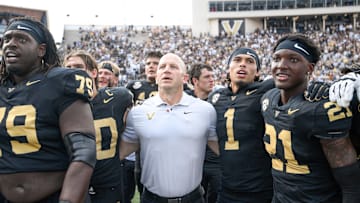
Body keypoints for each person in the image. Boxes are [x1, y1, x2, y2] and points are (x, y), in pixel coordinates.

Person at [0, 16, 96, 203]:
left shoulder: (61, 81)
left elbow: (84, 151)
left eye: (21, 39)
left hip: (54, 195)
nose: (10, 44)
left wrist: (68, 200)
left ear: (41, 50)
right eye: (7, 39)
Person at [261, 33, 360, 202]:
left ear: (310, 68)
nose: (281, 65)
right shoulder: (268, 98)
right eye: (277, 58)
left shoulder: (322, 109)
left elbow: (351, 185)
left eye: (293, 59)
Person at [120, 53, 219, 203]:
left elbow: (222, 151)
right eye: (162, 67)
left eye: (173, 67)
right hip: (151, 199)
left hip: (193, 198)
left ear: (185, 78)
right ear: (157, 76)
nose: (166, 70)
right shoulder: (139, 112)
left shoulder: (205, 110)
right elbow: (120, 153)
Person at [63, 50, 133, 203]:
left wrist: (116, 156)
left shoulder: (118, 98)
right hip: (75, 184)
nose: (73, 71)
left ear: (94, 72)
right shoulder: (61, 104)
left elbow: (133, 131)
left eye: (78, 66)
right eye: (68, 67)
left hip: (109, 185)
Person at [208, 47, 274, 202]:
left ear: (257, 72)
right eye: (237, 60)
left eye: (249, 61)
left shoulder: (268, 90)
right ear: (228, 68)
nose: (242, 64)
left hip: (261, 190)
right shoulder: (216, 97)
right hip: (226, 189)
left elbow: (298, 84)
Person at [125, 50, 163, 201]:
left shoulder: (168, 86)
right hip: (140, 147)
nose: (151, 66)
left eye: (155, 63)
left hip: (162, 146)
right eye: (148, 63)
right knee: (141, 187)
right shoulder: (134, 86)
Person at [186, 63, 220, 203]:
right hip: (192, 161)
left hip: (215, 162)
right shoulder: (183, 101)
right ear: (195, 81)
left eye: (213, 76)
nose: (212, 79)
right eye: (207, 77)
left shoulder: (220, 99)